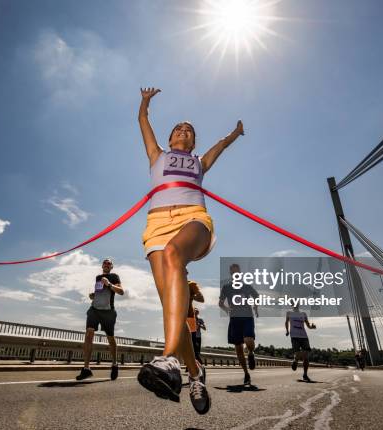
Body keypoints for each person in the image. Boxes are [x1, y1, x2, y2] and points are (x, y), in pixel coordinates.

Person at [136, 87, 244, 415]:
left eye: (189, 130)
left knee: (173, 254)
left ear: (193, 143)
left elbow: (220, 147)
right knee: (174, 308)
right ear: (170, 139)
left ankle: (168, 360)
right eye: (179, 128)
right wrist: (145, 102)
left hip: (193, 218)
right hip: (156, 225)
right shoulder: (157, 154)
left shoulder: (199, 162)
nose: (183, 131)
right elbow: (143, 121)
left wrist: (234, 133)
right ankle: (194, 373)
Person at [76, 258, 124, 381]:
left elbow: (121, 291)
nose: (107, 264)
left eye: (109, 263)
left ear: (111, 266)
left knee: (110, 338)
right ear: (102, 265)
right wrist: (93, 296)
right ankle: (86, 368)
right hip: (95, 310)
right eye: (105, 263)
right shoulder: (98, 277)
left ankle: (114, 364)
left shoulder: (114, 276)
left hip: (108, 312)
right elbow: (100, 293)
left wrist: (109, 284)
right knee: (89, 334)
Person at [219, 263, 259, 386]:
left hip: (247, 317)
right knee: (238, 349)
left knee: (248, 339)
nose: (235, 275)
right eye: (233, 273)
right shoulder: (226, 287)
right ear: (231, 274)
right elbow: (220, 303)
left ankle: (251, 353)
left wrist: (255, 307)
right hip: (235, 319)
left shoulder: (246, 286)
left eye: (237, 272)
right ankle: (246, 374)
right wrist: (226, 309)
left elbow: (256, 296)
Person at [285, 305, 317, 382]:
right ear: (292, 305)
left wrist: (312, 327)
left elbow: (308, 325)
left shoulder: (303, 314)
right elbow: (286, 322)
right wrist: (287, 331)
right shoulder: (289, 313)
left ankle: (305, 375)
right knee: (297, 353)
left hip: (304, 336)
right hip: (294, 336)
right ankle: (295, 360)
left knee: (306, 356)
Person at [186, 281, 206, 373]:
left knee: (193, 349)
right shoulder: (173, 284)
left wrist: (189, 295)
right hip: (176, 317)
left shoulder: (191, 284)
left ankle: (199, 369)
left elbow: (201, 299)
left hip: (189, 319)